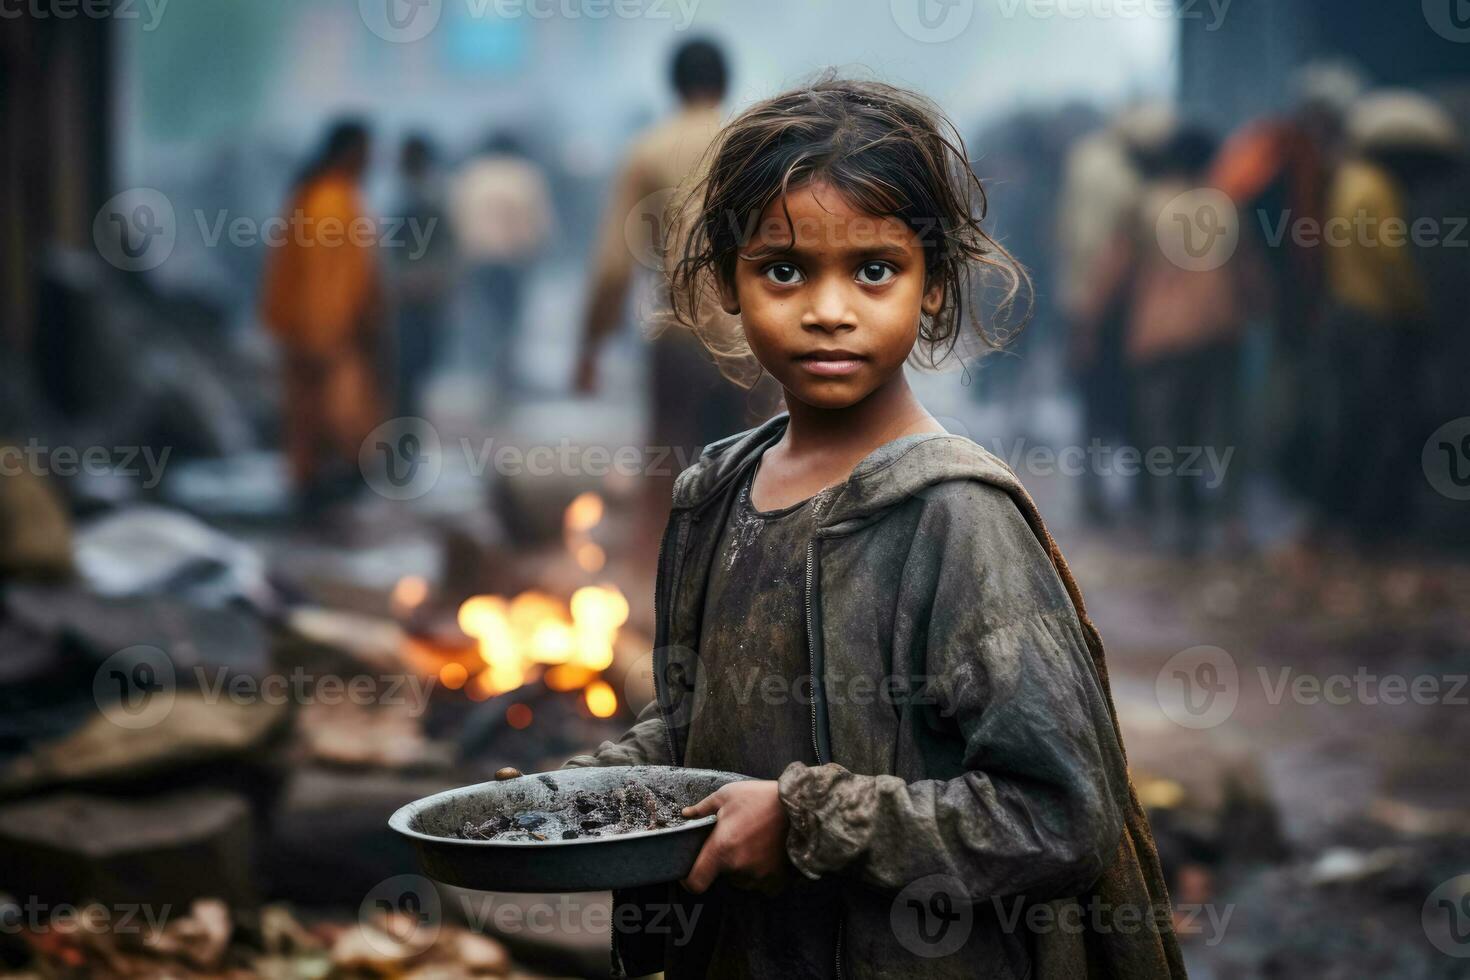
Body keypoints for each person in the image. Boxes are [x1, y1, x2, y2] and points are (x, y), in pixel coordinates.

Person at [554, 77, 1183, 979]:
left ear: (933, 289)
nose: (829, 308)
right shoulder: (714, 494)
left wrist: (810, 820)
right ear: (727, 283)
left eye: (875, 269)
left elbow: (1059, 813)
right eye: (783, 269)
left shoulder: (955, 518)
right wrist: (591, 795)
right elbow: (697, 728)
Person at [576, 38, 766, 554]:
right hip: (756, 338)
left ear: (673, 84)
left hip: (680, 337)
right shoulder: (754, 145)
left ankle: (657, 594)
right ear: (725, 83)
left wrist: (590, 345)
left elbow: (614, 265)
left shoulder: (648, 150)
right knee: (755, 472)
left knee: (670, 469)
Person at [259, 119, 384, 512]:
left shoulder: (331, 195)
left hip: (326, 333)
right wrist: (324, 337)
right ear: (348, 152)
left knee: (317, 418)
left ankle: (319, 492)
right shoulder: (327, 201)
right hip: (325, 336)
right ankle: (320, 494)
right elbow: (322, 278)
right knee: (337, 416)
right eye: (366, 151)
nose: (371, 161)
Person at [450, 131, 552, 408]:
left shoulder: (471, 174)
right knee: (509, 321)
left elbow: (456, 219)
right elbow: (539, 224)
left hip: (478, 259)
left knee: (484, 319)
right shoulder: (526, 175)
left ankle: (487, 377)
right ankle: (502, 376)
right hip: (512, 259)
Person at [389, 133, 455, 419]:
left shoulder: (421, 200)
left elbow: (444, 251)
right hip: (413, 298)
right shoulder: (418, 198)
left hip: (416, 298)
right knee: (408, 374)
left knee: (409, 373)